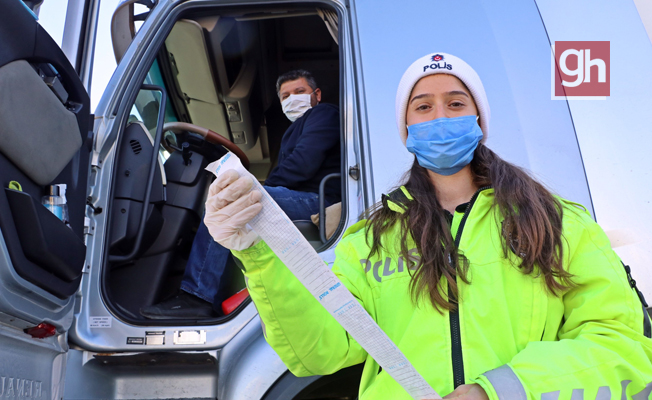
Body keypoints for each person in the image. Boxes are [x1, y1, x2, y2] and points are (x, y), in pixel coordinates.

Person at [201, 52, 652, 399]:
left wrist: (500, 389)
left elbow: (620, 346)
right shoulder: (372, 241)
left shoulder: (558, 223)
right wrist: (258, 252)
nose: (440, 117)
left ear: (478, 120)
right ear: (407, 127)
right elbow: (319, 350)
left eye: (456, 103)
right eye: (423, 107)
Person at [140, 69, 341, 319]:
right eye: (285, 96)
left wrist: (253, 188)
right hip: (302, 198)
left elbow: (303, 163)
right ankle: (216, 295)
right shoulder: (295, 130)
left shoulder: (324, 113)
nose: (292, 99)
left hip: (319, 201)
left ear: (317, 94)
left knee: (230, 201)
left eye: (299, 92)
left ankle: (197, 297)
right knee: (234, 199)